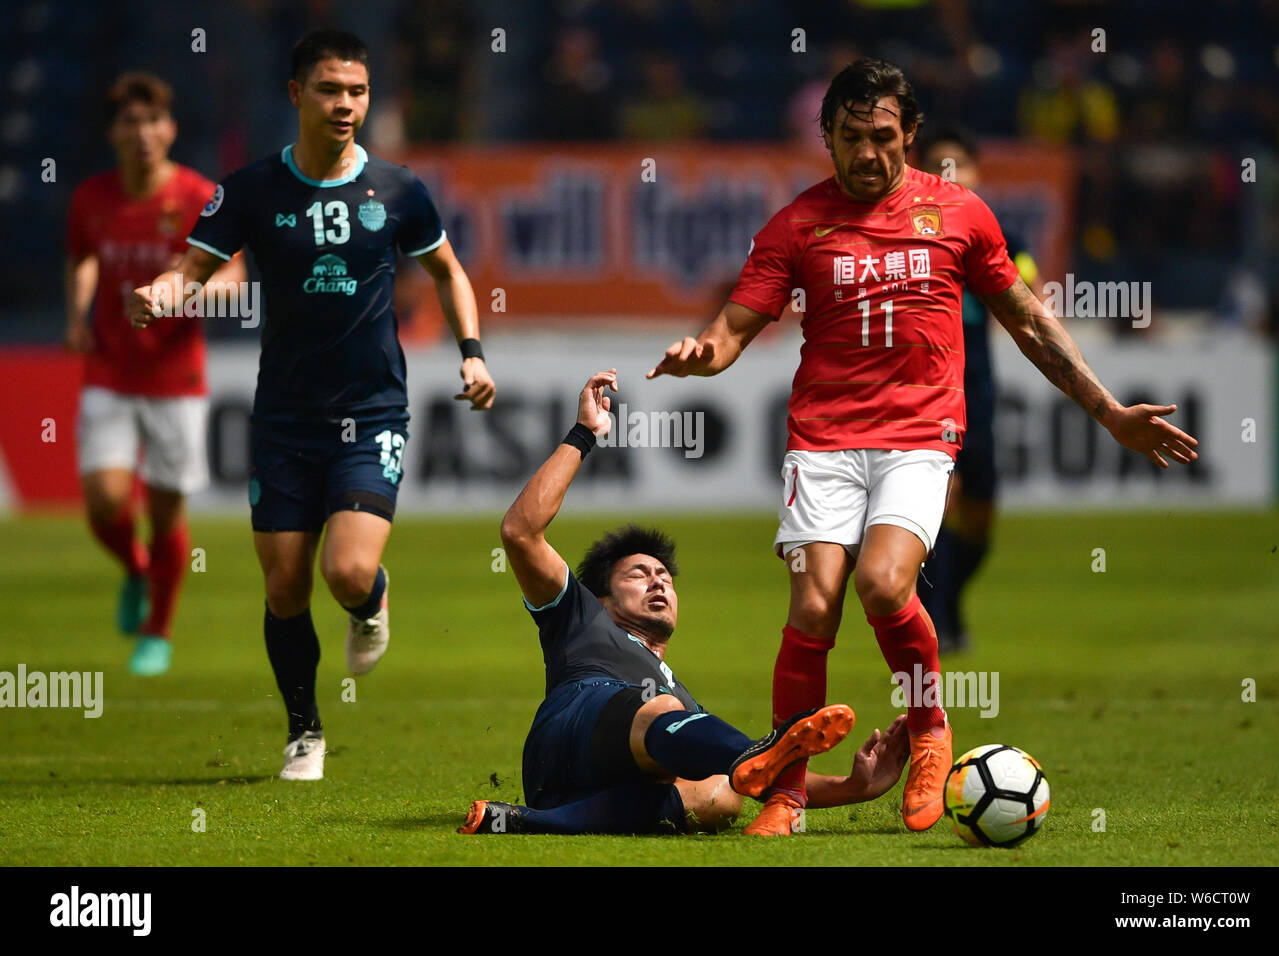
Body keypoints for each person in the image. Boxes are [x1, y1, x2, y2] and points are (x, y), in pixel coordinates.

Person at [649, 58, 1198, 835]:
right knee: (811, 603)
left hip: (919, 437)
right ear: (826, 138)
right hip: (823, 440)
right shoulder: (797, 225)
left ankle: (930, 730)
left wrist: (1107, 412)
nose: (867, 154)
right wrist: (703, 353)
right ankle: (791, 791)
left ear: (910, 134)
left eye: (882, 137)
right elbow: (734, 326)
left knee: (880, 583)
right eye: (849, 138)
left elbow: (1031, 322)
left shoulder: (960, 214)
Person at [129, 29, 496, 780]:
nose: (346, 105)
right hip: (285, 419)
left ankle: (373, 600)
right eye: (331, 90)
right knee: (284, 585)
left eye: (358, 91)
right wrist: (160, 296)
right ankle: (305, 731)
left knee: (348, 573)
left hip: (373, 412)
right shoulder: (253, 189)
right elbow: (193, 267)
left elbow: (453, 272)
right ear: (297, 94)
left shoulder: (398, 190)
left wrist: (472, 354)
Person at [459, 371, 908, 835]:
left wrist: (855, 785)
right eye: (638, 573)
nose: (658, 582)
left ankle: (525, 822)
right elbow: (519, 532)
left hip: (581, 794)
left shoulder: (680, 702)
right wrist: (584, 434)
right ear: (602, 598)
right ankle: (754, 747)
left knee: (720, 792)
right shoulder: (578, 615)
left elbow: (759, 778)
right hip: (570, 729)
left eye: (665, 577)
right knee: (678, 721)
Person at [66, 72, 245, 676]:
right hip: (110, 371)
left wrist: (181, 293)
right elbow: (83, 258)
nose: (142, 134)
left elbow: (236, 280)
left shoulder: (198, 196)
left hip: (175, 380)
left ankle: (158, 631)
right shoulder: (92, 198)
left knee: (167, 510)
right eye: (130, 123)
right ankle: (137, 570)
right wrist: (76, 313)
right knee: (103, 501)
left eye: (152, 122)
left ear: (170, 129)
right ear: (114, 132)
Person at [914, 126, 1039, 651]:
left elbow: (1023, 293)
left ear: (976, 173)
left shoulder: (1000, 235)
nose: (950, 175)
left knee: (981, 519)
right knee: (941, 504)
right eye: (938, 164)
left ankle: (950, 602)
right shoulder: (906, 234)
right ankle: (937, 624)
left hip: (979, 395)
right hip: (926, 397)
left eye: (959, 165)